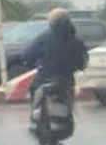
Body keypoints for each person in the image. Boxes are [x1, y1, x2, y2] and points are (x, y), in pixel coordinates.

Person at [23, 8, 87, 142]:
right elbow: (82, 62)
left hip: (43, 80)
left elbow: (28, 55)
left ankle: (35, 120)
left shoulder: (44, 37)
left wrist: (30, 62)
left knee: (33, 91)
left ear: (50, 22)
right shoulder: (76, 39)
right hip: (66, 82)